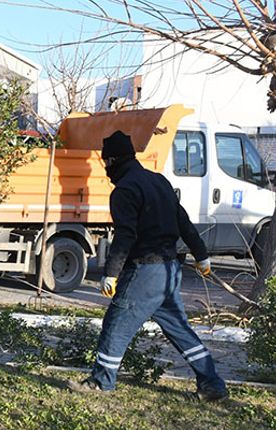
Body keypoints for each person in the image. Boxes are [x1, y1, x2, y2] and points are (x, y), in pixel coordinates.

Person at [69, 130, 228, 402]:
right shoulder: (158, 181)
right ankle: (212, 384)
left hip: (145, 271)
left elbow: (126, 235)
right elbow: (183, 221)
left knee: (116, 323)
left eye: (106, 162)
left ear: (113, 161)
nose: (106, 168)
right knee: (179, 329)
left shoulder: (124, 191)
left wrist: (111, 273)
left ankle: (101, 380)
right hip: (169, 271)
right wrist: (201, 255)